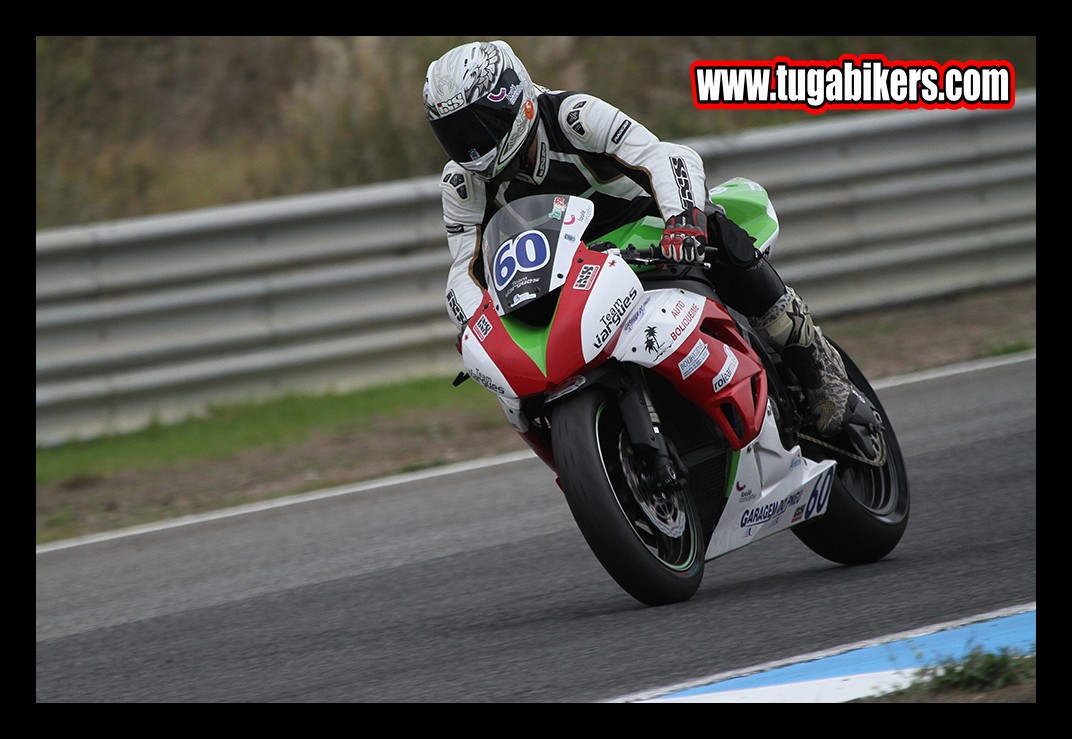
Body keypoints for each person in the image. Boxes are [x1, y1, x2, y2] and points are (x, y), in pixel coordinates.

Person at [423, 39, 853, 436]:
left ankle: (812, 357)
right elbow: (465, 268)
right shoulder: (462, 184)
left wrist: (682, 222)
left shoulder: (572, 116)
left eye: (478, 126)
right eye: (456, 134)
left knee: (716, 230)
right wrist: (472, 319)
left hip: (647, 233)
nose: (472, 146)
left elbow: (661, 156)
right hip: (567, 273)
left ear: (511, 98)